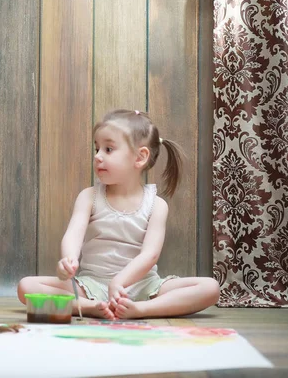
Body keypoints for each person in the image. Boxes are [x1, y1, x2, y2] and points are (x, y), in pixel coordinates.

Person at [17, 109, 219, 319]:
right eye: (97, 149)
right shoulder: (89, 197)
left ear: (140, 157)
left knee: (210, 287)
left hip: (143, 286)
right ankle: (88, 306)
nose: (98, 157)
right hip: (92, 285)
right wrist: (68, 260)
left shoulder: (156, 205)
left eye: (108, 149)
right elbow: (73, 235)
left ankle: (142, 309)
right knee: (26, 286)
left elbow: (150, 255)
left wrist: (120, 282)